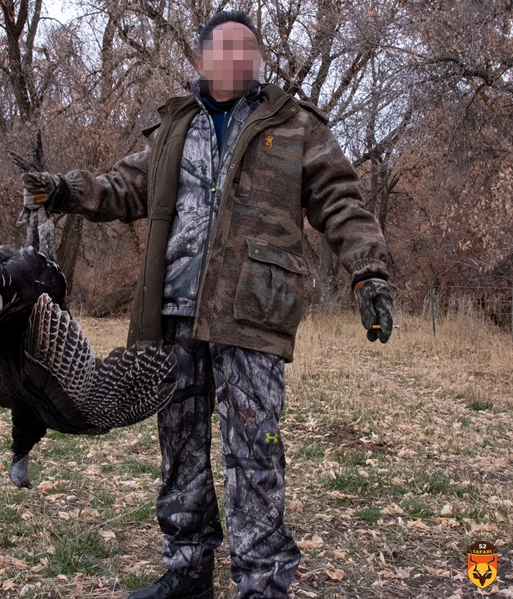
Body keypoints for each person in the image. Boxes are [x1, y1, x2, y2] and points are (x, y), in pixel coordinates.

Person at [20, 10, 393, 599]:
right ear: (201, 59)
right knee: (181, 447)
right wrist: (63, 190)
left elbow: (340, 201)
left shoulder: (294, 126)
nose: (241, 58)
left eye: (251, 49)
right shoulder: (174, 127)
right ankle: (187, 568)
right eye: (227, 49)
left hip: (252, 312)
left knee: (254, 449)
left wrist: (368, 273)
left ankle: (262, 580)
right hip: (173, 314)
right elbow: (124, 188)